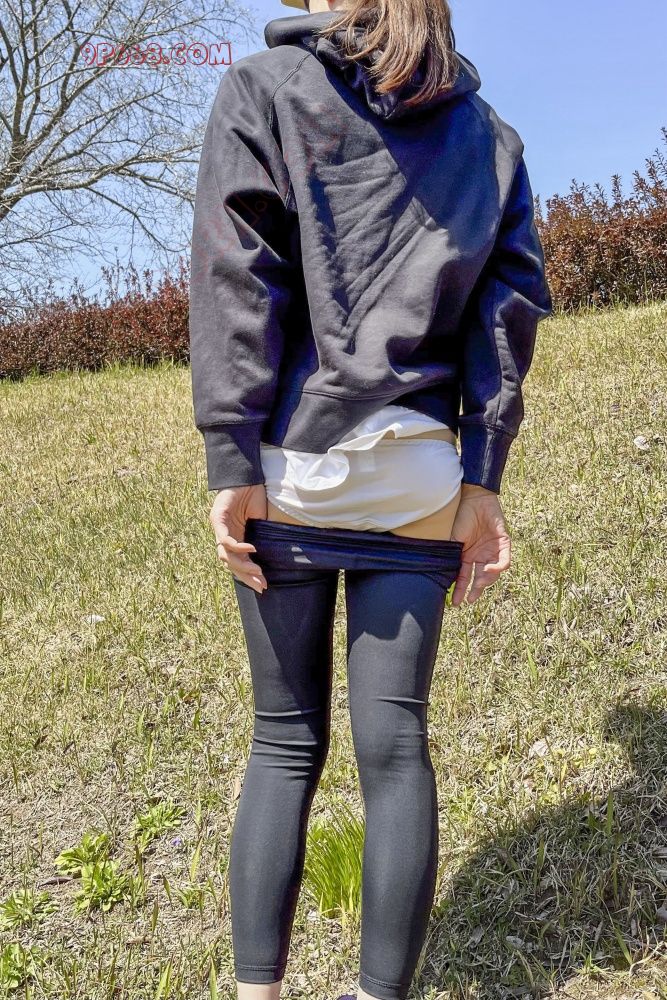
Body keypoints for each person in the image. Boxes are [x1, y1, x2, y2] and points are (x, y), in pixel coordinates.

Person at [188, 0, 553, 997]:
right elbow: (507, 312)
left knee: (282, 739)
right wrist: (483, 474)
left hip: (294, 471)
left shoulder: (263, 91)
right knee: (396, 752)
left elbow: (236, 277)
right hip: (420, 477)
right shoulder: (488, 136)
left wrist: (230, 457)